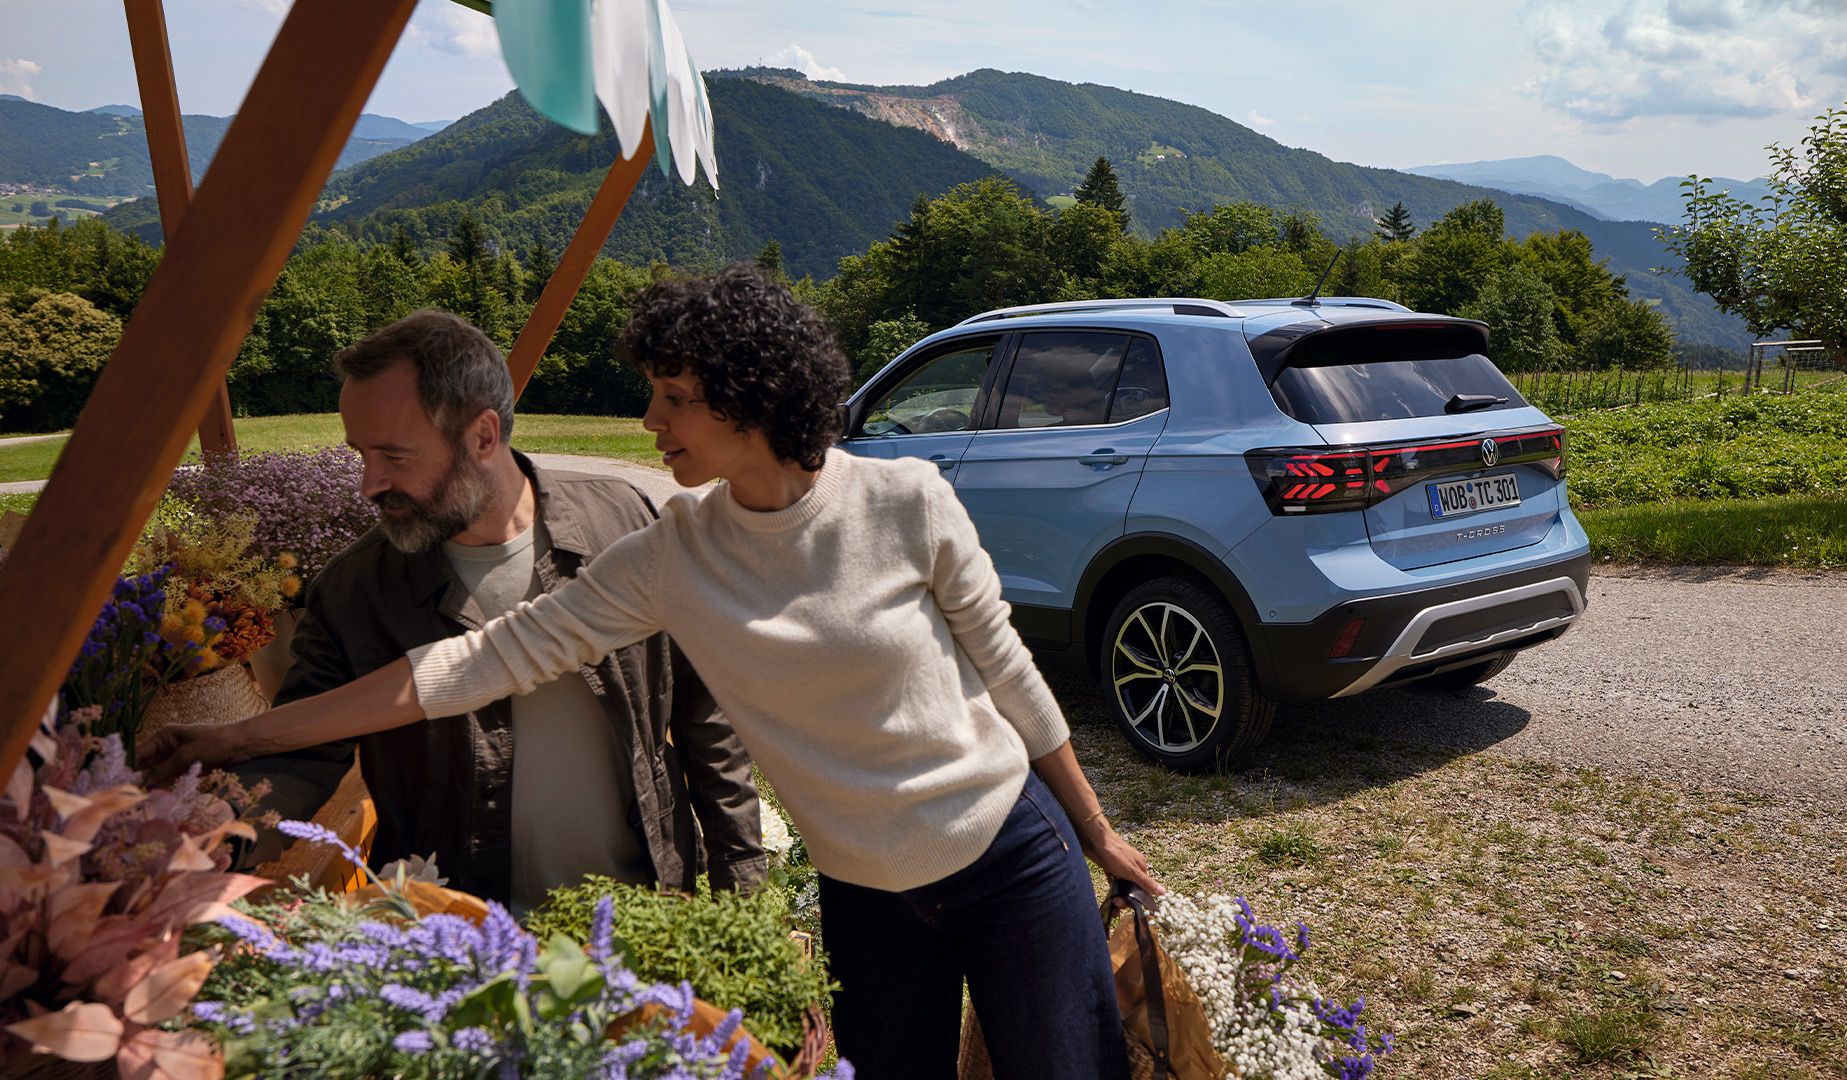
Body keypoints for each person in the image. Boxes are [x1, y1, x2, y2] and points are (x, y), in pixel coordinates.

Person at [146, 268, 1162, 1079]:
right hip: (866, 901)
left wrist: (1097, 831)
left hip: (1008, 858)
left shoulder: (907, 500)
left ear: (753, 398)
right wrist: (237, 737)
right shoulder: (671, 556)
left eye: (674, 398)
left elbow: (1011, 675)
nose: (650, 421)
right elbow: (468, 664)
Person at [227, 310, 766, 912]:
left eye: (394, 456)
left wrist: (740, 880)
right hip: (459, 942)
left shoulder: (624, 522)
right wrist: (218, 837)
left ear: (483, 436)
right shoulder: (355, 589)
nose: (368, 484)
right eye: (360, 454)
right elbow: (297, 747)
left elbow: (704, 710)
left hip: (646, 917)